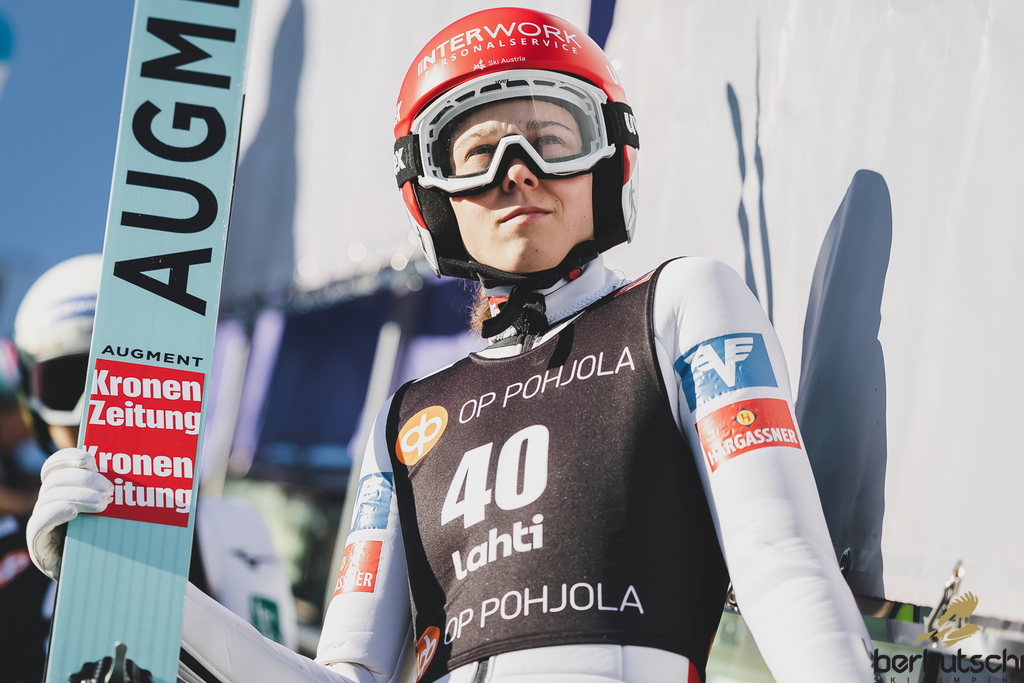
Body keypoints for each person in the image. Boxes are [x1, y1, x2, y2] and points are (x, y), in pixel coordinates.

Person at [27, 8, 877, 683]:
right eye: (476, 153)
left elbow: (784, 566)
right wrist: (133, 579)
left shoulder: (683, 304)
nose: (517, 171)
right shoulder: (407, 419)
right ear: (433, 198)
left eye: (553, 139)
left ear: (609, 158)